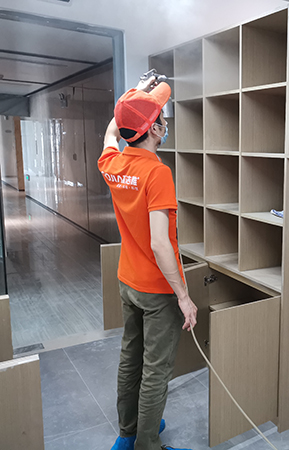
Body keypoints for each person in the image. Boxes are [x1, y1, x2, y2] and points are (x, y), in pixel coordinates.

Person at [99, 76, 198, 450]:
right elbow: (160, 243)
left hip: (128, 282)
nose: (165, 122)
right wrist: (184, 298)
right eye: (162, 117)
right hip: (156, 290)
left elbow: (113, 131)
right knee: (156, 370)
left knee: (130, 358)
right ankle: (147, 444)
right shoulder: (157, 173)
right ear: (155, 129)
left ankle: (128, 434)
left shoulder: (112, 163)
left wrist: (134, 95)